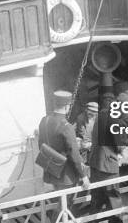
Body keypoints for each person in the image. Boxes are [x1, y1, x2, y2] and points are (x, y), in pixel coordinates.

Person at [37, 90, 89, 219]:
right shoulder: (66, 126)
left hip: (51, 170)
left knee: (61, 202)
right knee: (65, 205)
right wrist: (83, 176)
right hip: (66, 175)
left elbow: (41, 145)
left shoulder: (44, 120)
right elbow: (74, 154)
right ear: (67, 106)